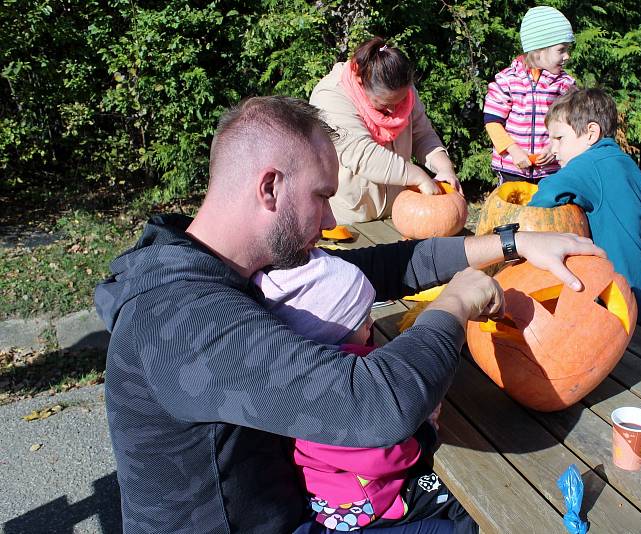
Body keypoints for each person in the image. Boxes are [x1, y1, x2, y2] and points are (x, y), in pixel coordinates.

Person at [94, 95, 603, 533]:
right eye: (321, 197)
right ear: (269, 188)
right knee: (484, 515)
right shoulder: (184, 319)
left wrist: (513, 241)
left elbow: (379, 266)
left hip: (297, 502)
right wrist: (456, 304)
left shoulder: (219, 260)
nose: (334, 219)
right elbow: (375, 406)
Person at [254, 249, 475, 533]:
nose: (372, 322)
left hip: (335, 490)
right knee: (463, 502)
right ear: (333, 333)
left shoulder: (307, 378)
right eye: (362, 318)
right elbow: (383, 456)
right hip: (360, 502)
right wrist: (425, 433)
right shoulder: (334, 399)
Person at [527, 88, 641, 333]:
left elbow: (543, 198)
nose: (552, 149)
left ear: (591, 133)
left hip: (614, 302)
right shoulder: (624, 163)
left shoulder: (588, 165)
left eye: (559, 139)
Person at [309, 37, 462, 224]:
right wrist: (419, 176)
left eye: (400, 102)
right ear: (360, 80)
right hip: (351, 220)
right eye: (385, 104)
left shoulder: (401, 89)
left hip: (398, 213)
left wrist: (445, 168)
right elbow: (362, 154)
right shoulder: (330, 97)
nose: (393, 111)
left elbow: (422, 134)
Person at [483, 6, 576, 184]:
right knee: (513, 209)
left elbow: (571, 123)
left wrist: (554, 146)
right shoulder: (507, 81)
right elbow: (493, 122)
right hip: (512, 167)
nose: (567, 56)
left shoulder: (565, 85)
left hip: (550, 169)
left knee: (549, 210)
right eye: (561, 49)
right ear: (539, 49)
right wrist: (513, 150)